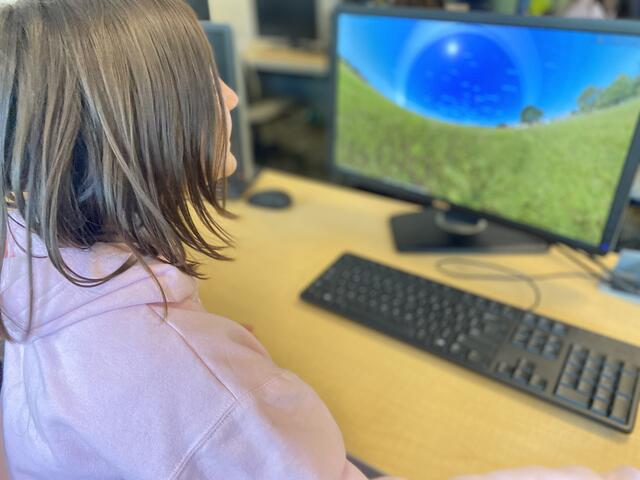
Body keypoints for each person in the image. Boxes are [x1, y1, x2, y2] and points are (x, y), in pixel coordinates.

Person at [0, 1, 637, 480]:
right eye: (200, 83)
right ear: (138, 132)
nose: (228, 95)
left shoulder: (27, 268)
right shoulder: (207, 398)